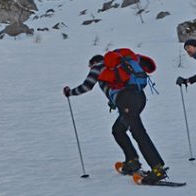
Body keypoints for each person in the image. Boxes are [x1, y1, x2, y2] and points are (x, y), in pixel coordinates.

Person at [64, 51, 168, 184]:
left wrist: (69, 92)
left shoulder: (98, 67)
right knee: (118, 130)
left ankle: (157, 169)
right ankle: (132, 161)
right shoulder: (120, 66)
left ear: (93, 63)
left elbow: (87, 86)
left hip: (126, 100)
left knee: (138, 133)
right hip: (139, 98)